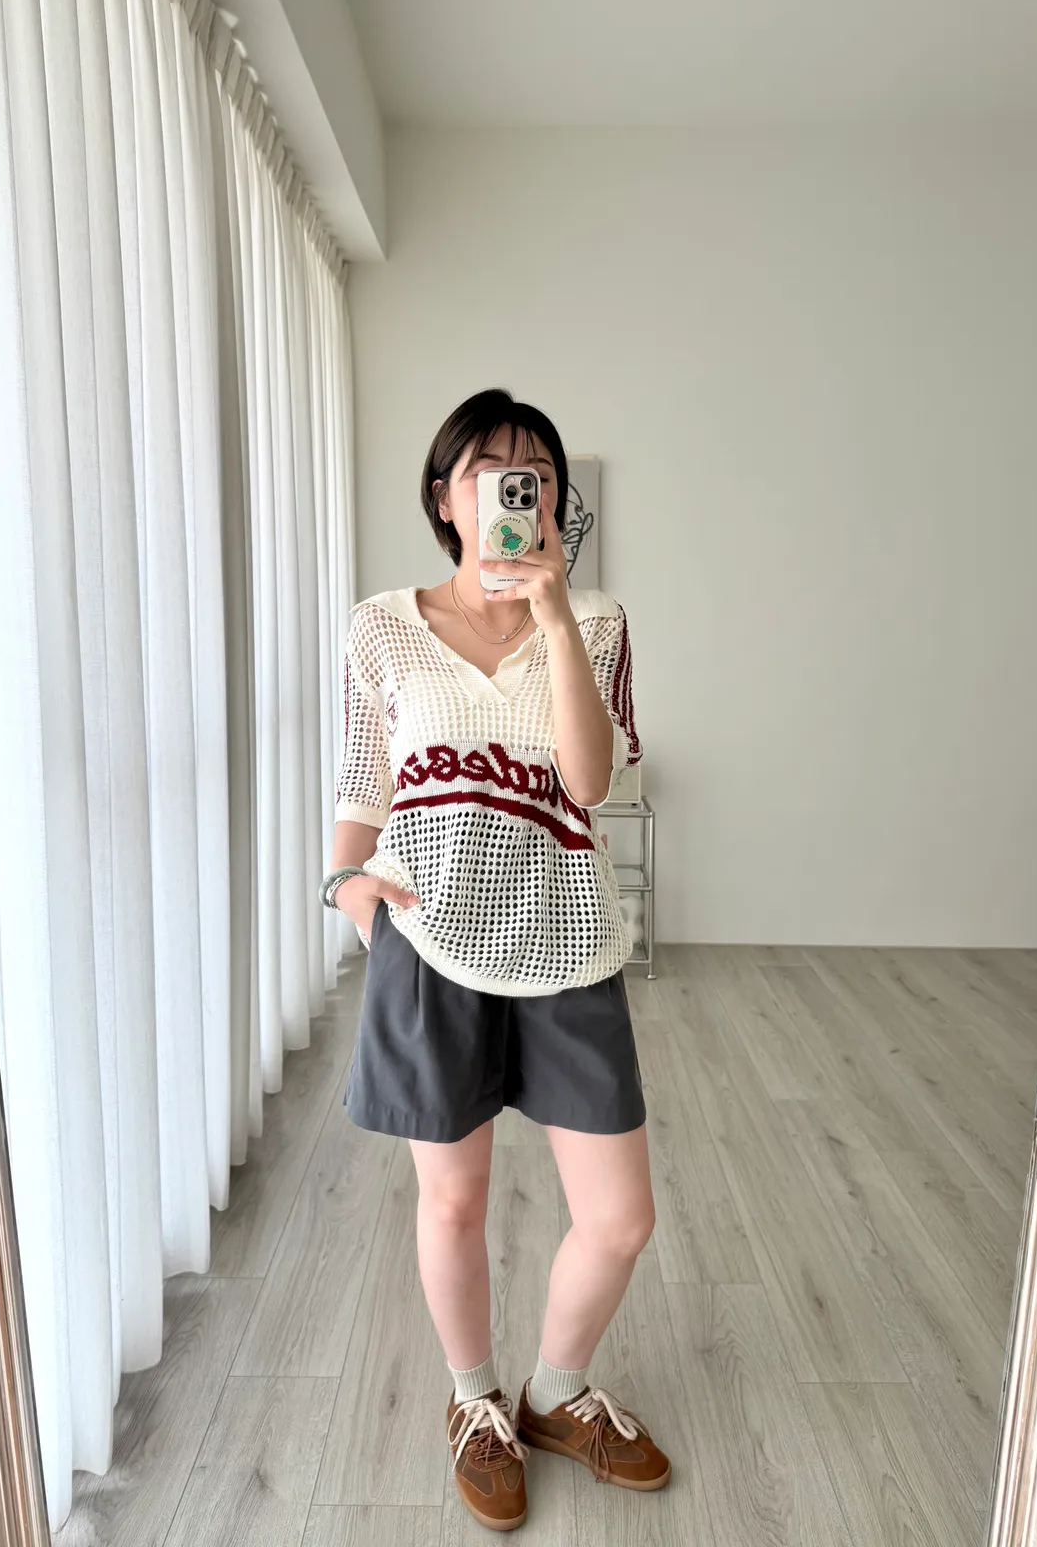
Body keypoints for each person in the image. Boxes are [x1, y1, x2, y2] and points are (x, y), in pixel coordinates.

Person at [322, 388, 670, 1532]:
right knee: (455, 1198)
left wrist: (556, 615)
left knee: (620, 1217)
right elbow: (360, 787)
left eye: (538, 476)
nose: (518, 491)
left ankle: (556, 1391)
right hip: (430, 940)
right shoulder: (381, 627)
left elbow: (590, 781)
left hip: (566, 938)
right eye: (490, 471)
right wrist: (349, 888)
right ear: (447, 497)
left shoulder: (600, 621)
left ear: (557, 502)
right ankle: (476, 1401)